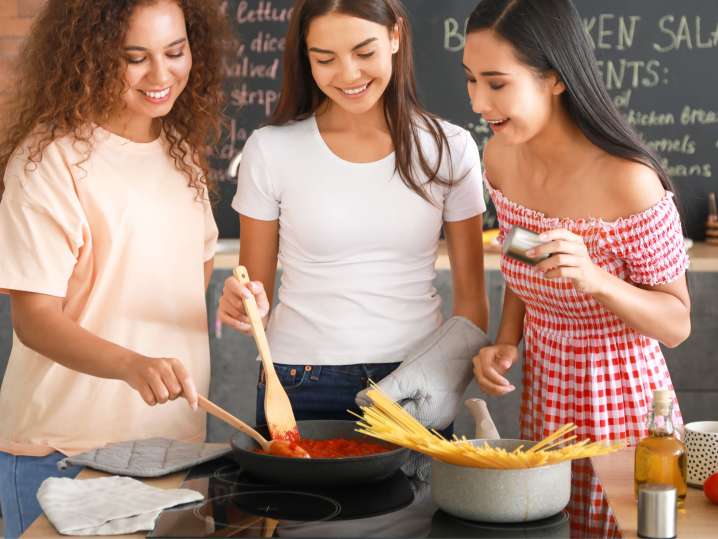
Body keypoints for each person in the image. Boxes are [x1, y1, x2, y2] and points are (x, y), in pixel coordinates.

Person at [464, 0, 690, 534]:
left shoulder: (629, 180)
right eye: (471, 80)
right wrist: (506, 340)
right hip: (546, 390)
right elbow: (525, 256)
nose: (478, 101)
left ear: (555, 79)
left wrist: (595, 278)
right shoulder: (499, 157)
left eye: (496, 83)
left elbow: (677, 323)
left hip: (623, 406)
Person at [0, 1, 224, 536]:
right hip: (69, 452)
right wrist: (131, 364)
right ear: (92, 57)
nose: (161, 75)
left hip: (174, 449)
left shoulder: (181, 154)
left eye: (175, 51)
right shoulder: (50, 160)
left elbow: (187, 286)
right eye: (134, 58)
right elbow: (34, 320)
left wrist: (240, 306)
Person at [218, 0, 490, 433]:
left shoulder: (450, 148)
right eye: (325, 59)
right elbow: (257, 296)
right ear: (305, 58)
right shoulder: (270, 150)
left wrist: (440, 380)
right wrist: (243, 301)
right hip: (299, 380)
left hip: (415, 381)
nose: (347, 74)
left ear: (396, 36)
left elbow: (474, 306)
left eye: (364, 53)